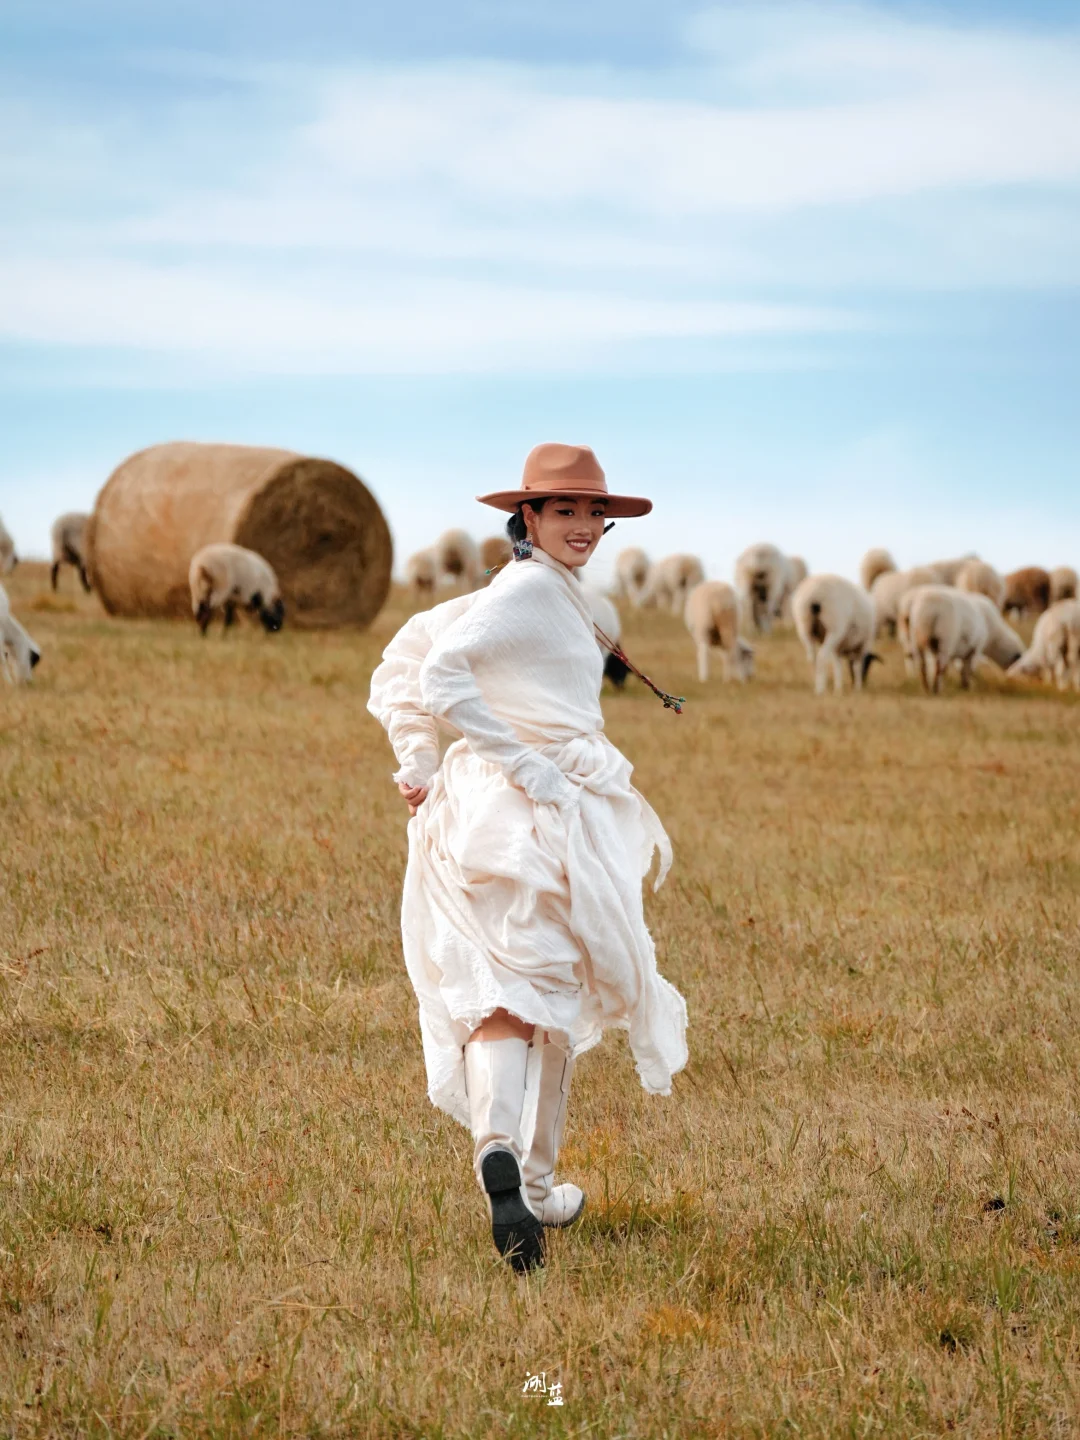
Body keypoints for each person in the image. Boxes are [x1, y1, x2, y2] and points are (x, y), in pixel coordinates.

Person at [367, 442, 688, 1272]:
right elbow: (440, 676)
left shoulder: (531, 591)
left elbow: (407, 658)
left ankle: (507, 1158)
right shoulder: (530, 589)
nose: (584, 525)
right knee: (543, 994)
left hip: (490, 811)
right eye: (565, 511)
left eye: (595, 513)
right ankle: (529, 1178)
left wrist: (418, 761)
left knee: (514, 996)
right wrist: (525, 762)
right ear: (530, 518)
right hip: (530, 810)